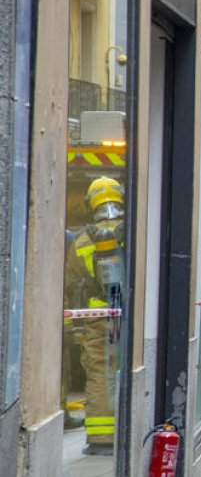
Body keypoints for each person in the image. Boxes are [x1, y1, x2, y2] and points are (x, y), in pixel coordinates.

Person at [65, 177, 127, 456]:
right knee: (126, 366)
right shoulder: (133, 230)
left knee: (100, 370)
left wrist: (72, 328)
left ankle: (102, 436)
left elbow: (72, 285)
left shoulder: (82, 240)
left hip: (97, 315)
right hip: (129, 314)